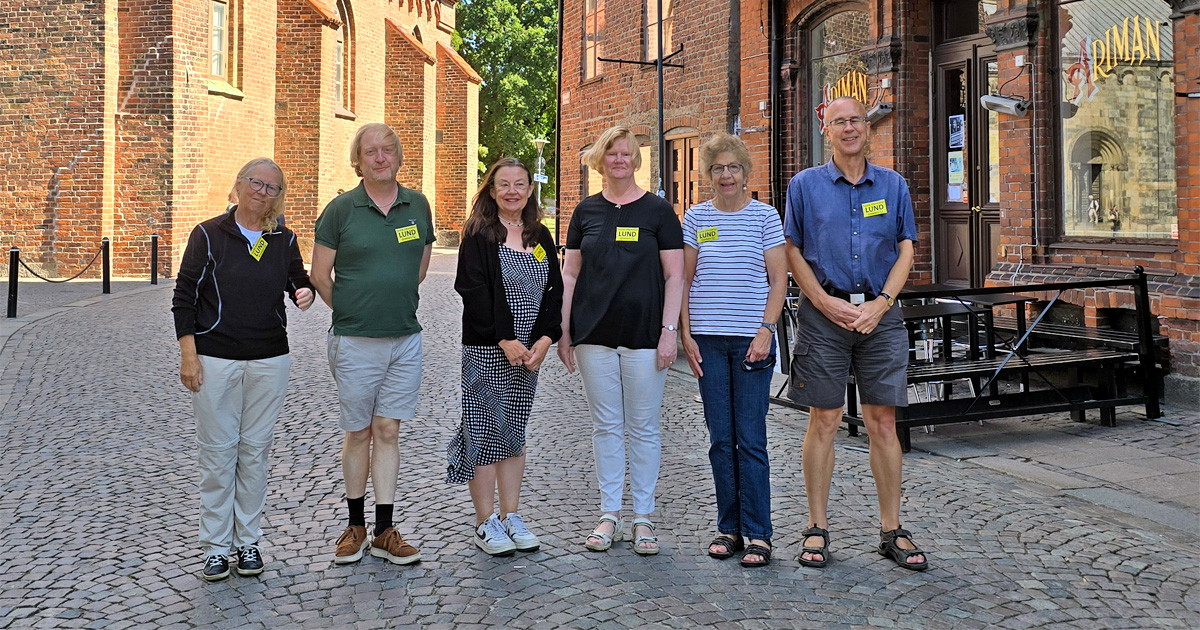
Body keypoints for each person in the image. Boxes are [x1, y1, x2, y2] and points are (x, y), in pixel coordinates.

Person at [783, 96, 928, 571]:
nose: (849, 128)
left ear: (867, 129)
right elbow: (791, 249)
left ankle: (891, 529)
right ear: (826, 129)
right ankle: (817, 527)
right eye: (839, 121)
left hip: (880, 316)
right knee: (824, 420)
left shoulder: (893, 184)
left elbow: (906, 250)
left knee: (883, 422)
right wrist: (823, 302)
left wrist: (883, 304)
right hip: (824, 315)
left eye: (856, 121)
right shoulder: (804, 186)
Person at [172, 157, 315, 582]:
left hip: (270, 357)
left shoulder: (283, 238)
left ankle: (247, 542)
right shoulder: (208, 234)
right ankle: (216, 547)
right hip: (215, 356)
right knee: (219, 455)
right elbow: (184, 296)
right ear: (239, 185)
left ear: (279, 195)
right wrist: (188, 354)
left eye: (272, 187)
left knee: (254, 452)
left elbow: (297, 280)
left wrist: (303, 292)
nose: (262, 192)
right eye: (256, 182)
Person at [310, 123, 435, 566]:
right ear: (358, 160)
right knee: (359, 432)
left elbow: (419, 267)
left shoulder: (417, 205)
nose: (380, 157)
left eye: (387, 150)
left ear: (399, 157)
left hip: (405, 338)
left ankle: (384, 530)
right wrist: (349, 312)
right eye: (370, 151)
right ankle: (355, 525)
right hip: (355, 340)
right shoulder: (341, 209)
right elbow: (320, 275)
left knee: (388, 430)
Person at [558, 125, 684, 555]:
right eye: (611, 153)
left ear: (636, 160)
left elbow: (675, 275)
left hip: (646, 336)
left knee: (644, 429)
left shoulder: (658, 211)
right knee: (606, 427)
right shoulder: (585, 212)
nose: (619, 160)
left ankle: (643, 518)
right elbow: (570, 273)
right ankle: (609, 514)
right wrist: (565, 329)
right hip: (594, 334)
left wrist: (670, 333)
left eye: (626, 154)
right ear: (601, 159)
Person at [680, 133, 787, 568]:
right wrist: (686, 335)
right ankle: (730, 528)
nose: (726, 175)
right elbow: (683, 282)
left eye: (733, 167)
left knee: (751, 439)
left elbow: (779, 280)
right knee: (721, 439)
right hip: (707, 342)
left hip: (751, 343)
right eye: (718, 168)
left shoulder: (764, 217)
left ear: (745, 173)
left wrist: (766, 330)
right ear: (708, 175)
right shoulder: (695, 218)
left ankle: (759, 534)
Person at [449, 157, 563, 556]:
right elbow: (473, 290)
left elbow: (554, 293)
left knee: (514, 431)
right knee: (483, 431)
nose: (512, 191)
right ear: (492, 191)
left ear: (530, 190)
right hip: (486, 350)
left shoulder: (541, 236)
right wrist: (504, 339)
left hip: (529, 355)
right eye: (504, 184)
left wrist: (547, 339)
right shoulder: (480, 234)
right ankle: (485, 523)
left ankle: (511, 515)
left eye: (520, 184)